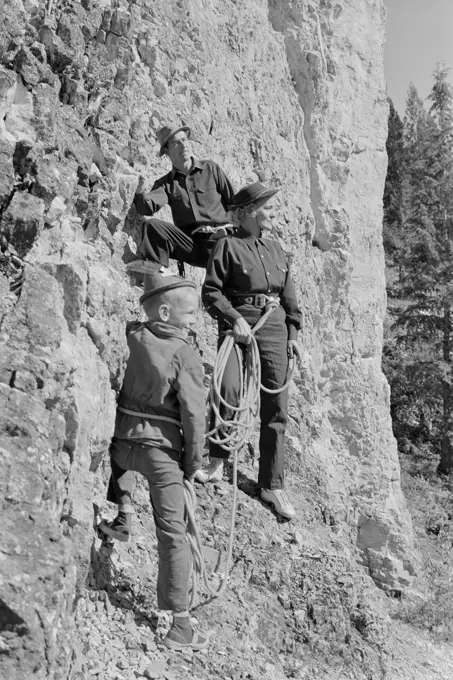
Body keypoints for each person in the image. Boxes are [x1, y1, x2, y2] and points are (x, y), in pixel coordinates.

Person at [99, 268, 208, 651]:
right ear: (165, 314)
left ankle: (124, 514)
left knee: (119, 465)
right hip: (162, 453)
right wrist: (192, 464)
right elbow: (195, 416)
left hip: (122, 442)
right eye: (191, 314)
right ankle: (180, 624)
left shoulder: (132, 335)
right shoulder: (186, 354)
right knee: (172, 534)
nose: (196, 319)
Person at [199, 182, 302, 520]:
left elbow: (289, 297)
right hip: (238, 323)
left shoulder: (277, 250)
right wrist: (232, 318)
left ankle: (271, 484)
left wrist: (293, 333)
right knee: (227, 387)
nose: (273, 212)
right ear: (246, 213)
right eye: (267, 207)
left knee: (276, 408)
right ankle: (217, 458)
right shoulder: (226, 246)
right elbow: (211, 292)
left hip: (273, 325)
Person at [131, 123, 235, 271]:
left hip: (222, 241)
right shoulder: (166, 183)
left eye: (184, 140)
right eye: (176, 143)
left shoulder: (211, 169)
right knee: (152, 226)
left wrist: (231, 231)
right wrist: (139, 190)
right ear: (166, 150)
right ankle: (156, 275)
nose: (183, 145)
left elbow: (236, 204)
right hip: (192, 245)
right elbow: (146, 207)